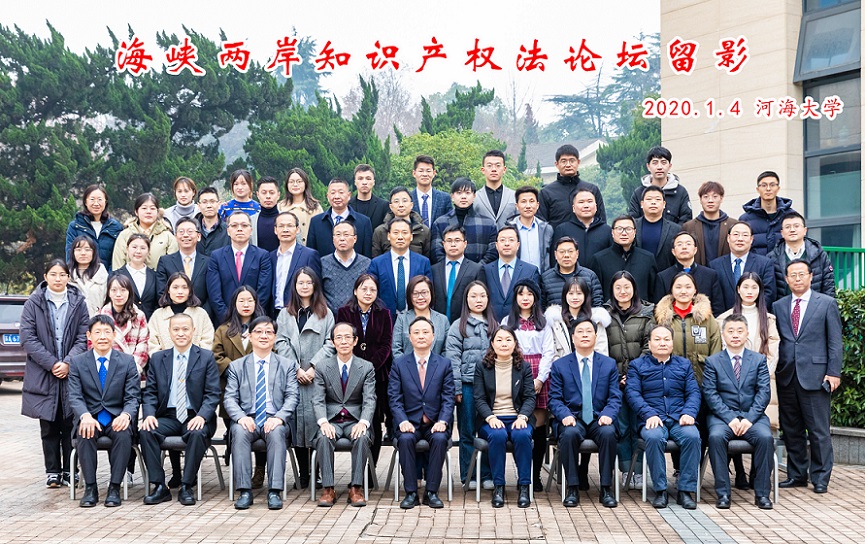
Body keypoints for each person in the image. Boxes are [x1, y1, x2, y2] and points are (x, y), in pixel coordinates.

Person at [772, 260, 842, 494]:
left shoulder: (826, 303)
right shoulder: (779, 306)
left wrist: (833, 372)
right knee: (791, 429)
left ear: (811, 276)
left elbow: (834, 341)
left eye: (802, 274)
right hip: (787, 376)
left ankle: (820, 477)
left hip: (816, 375)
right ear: (786, 279)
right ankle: (797, 474)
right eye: (793, 275)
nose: (797, 278)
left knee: (818, 430)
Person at [20, 259, 90, 489]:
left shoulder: (78, 302)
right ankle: (52, 472)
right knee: (48, 424)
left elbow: (83, 336)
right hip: (43, 372)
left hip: (71, 371)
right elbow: (28, 338)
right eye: (53, 274)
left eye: (62, 274)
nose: (58, 278)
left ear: (68, 277)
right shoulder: (34, 302)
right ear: (45, 276)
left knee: (70, 423)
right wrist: (52, 364)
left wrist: (68, 362)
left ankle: (71, 471)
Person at [139, 313, 221, 506]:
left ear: (193, 331)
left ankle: (186, 485)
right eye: (176, 329)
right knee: (146, 431)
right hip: (169, 416)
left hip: (195, 416)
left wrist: (202, 416)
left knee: (197, 433)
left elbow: (213, 394)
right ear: (169, 332)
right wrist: (148, 415)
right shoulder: (158, 358)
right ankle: (160, 486)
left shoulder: (206, 357)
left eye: (185, 329)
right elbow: (150, 392)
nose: (181, 333)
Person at [223, 316, 299, 510]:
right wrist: (241, 417)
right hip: (248, 418)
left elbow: (292, 397)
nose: (264, 336)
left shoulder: (287, 365)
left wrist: (279, 418)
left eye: (268, 332)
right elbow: (229, 398)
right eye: (258, 332)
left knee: (276, 432)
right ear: (249, 336)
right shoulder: (237, 366)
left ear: (275, 337)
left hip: (275, 419)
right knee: (238, 431)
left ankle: (274, 491)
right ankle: (245, 491)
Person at [67, 314, 140, 507]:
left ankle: (114, 487)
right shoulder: (78, 362)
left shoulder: (127, 361)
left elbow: (133, 396)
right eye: (97, 332)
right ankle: (90, 488)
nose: (102, 337)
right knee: (85, 432)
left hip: (116, 417)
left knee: (123, 434)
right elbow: (74, 396)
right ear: (89, 336)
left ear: (114, 335)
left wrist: (126, 415)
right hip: (90, 417)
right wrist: (85, 416)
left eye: (107, 332)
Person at [703, 314, 775, 510]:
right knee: (716, 437)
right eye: (731, 331)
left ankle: (762, 494)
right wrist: (730, 418)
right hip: (722, 418)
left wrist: (749, 419)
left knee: (765, 438)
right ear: (723, 334)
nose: (735, 335)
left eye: (739, 331)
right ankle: (723, 493)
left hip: (753, 417)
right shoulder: (713, 361)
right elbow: (710, 394)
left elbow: (764, 393)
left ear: (747, 334)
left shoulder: (758, 360)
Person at [626, 325, 701, 509]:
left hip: (679, 418)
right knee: (654, 437)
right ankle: (660, 490)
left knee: (693, 436)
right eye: (657, 339)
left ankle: (685, 491)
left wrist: (689, 412)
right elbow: (632, 393)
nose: (662, 343)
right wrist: (648, 413)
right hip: (652, 418)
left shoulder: (683, 364)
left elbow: (693, 392)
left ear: (672, 343)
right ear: (649, 343)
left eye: (666, 339)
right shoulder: (637, 365)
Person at [548, 318, 621, 507]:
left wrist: (608, 414)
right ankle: (572, 488)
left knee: (608, 433)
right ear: (573, 337)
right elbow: (554, 399)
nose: (585, 335)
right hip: (573, 418)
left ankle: (606, 488)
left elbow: (615, 397)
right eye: (580, 332)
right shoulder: (560, 365)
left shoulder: (608, 364)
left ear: (596, 336)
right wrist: (565, 415)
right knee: (569, 434)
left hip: (599, 417)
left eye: (589, 331)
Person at [274, 268, 335, 489]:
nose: (305, 286)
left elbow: (330, 343)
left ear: (315, 285)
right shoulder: (285, 314)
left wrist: (313, 367)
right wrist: (297, 368)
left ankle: (317, 473)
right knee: (297, 423)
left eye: (309, 282)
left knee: (315, 421)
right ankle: (303, 474)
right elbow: (280, 342)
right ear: (294, 286)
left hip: (317, 377)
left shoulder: (326, 313)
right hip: (294, 377)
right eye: (300, 282)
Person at [388, 316, 455, 509]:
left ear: (433, 336)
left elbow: (448, 397)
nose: (421, 336)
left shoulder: (444, 364)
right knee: (406, 439)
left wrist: (443, 421)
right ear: (409, 337)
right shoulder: (400, 364)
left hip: (435, 422)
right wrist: (402, 421)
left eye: (425, 332)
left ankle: (431, 492)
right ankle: (410, 492)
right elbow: (394, 397)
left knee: (440, 439)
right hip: (409, 422)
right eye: (416, 332)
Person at [311, 322, 377, 507]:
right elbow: (318, 399)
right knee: (324, 437)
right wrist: (323, 422)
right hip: (332, 420)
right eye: (339, 337)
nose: (343, 341)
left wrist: (363, 422)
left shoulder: (366, 367)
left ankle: (356, 488)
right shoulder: (322, 367)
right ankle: (328, 489)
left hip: (355, 420)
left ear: (355, 341)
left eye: (348, 337)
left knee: (362, 437)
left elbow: (370, 399)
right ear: (333, 342)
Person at [474, 326, 536, 508]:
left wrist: (523, 417)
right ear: (492, 344)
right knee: (498, 435)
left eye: (508, 340)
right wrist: (490, 417)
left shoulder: (523, 367)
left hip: (517, 418)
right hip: (491, 419)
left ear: (515, 343)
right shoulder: (482, 367)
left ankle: (524, 486)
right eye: (499, 340)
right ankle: (498, 487)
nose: (504, 344)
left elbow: (530, 397)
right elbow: (479, 398)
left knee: (522, 435)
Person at [212, 286, 267, 489]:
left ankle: (260, 470)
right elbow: (216, 356)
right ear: (234, 304)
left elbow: (273, 352)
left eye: (250, 300)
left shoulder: (264, 328)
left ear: (256, 303)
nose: (246, 304)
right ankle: (240, 472)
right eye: (241, 301)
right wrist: (237, 369)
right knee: (235, 432)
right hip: (231, 390)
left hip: (259, 389)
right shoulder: (223, 330)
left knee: (261, 430)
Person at [603, 271, 654, 490]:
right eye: (618, 288)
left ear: (634, 289)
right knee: (622, 427)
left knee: (638, 425)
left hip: (640, 381)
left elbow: (649, 345)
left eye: (627, 287)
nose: (623, 292)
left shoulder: (647, 313)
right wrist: (615, 376)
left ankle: (639, 472)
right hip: (614, 382)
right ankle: (626, 470)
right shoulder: (604, 314)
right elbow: (602, 347)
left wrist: (632, 374)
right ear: (612, 290)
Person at [503, 279, 556, 491]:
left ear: (536, 297)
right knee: (521, 426)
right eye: (521, 294)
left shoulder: (544, 322)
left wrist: (540, 378)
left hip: (539, 373)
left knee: (539, 428)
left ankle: (536, 475)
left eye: (529, 294)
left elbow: (549, 351)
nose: (525, 298)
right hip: (515, 371)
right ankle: (522, 474)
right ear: (515, 297)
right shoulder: (507, 321)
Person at [445, 281, 498, 490]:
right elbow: (452, 359)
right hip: (467, 386)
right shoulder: (458, 326)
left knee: (488, 429)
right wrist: (457, 388)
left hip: (490, 388)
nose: (478, 300)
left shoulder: (495, 325)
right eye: (473, 296)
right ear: (466, 300)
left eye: (482, 296)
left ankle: (487, 474)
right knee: (467, 430)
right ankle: (468, 475)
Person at [336, 274, 393, 464]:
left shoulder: (384, 314)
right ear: (355, 291)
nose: (368, 293)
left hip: (377, 375)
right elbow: (342, 340)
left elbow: (386, 345)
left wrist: (368, 368)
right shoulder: (344, 313)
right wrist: (356, 368)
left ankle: (371, 469)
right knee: (353, 418)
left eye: (372, 290)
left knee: (374, 421)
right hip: (349, 374)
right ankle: (357, 467)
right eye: (364, 289)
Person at [654, 271, 722, 384]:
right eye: (678, 287)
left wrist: (711, 380)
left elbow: (716, 350)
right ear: (671, 291)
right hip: (670, 382)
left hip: (702, 381)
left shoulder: (707, 318)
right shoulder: (661, 319)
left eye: (688, 287)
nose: (683, 291)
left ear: (695, 290)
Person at [206, 211, 273, 321]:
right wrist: (228, 319)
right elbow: (214, 294)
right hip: (225, 321)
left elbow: (263, 292)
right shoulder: (216, 256)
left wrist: (251, 318)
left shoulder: (262, 256)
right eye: (234, 225)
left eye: (244, 225)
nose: (239, 229)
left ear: (251, 230)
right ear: (228, 231)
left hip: (254, 321)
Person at [367, 217, 433, 318]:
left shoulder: (423, 262)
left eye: (404, 233)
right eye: (396, 233)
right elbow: (372, 292)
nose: (400, 237)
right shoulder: (377, 263)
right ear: (388, 236)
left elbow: (429, 292)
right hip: (385, 318)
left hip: (415, 317)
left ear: (411, 236)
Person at [709, 221, 777, 311]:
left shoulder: (765, 263)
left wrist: (752, 313)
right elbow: (713, 296)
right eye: (736, 234)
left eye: (745, 235)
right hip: (724, 316)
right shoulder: (715, 265)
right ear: (728, 238)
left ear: (751, 239)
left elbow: (769, 294)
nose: (740, 239)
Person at [589, 215, 657, 302]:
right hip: (610, 309)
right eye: (619, 229)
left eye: (628, 229)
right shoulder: (599, 259)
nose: (624, 233)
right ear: (612, 232)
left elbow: (653, 292)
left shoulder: (647, 258)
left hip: (641, 309)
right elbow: (596, 293)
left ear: (635, 232)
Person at [431, 177, 498, 264]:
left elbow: (492, 251)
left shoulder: (488, 224)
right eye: (459, 193)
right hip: (449, 270)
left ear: (474, 196)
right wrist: (450, 267)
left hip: (480, 271)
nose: (463, 197)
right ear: (452, 196)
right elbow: (436, 252)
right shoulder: (440, 223)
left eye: (467, 193)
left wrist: (478, 269)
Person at [657, 231, 725, 316]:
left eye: (688, 244)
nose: (684, 247)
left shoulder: (710, 275)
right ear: (673, 251)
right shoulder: (663, 277)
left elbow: (718, 309)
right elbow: (659, 309)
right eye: (679, 244)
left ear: (695, 250)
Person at [769, 212, 835, 298]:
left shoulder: (819, 254)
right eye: (787, 227)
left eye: (796, 226)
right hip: (783, 305)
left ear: (805, 230)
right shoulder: (772, 257)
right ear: (782, 233)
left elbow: (829, 284)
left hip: (815, 304)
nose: (792, 230)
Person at [538, 144, 605, 229]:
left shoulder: (591, 189)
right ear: (557, 164)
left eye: (572, 160)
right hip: (558, 236)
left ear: (578, 162)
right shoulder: (546, 193)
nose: (568, 165)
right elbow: (542, 225)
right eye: (563, 161)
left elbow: (601, 220)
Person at [156, 217, 211, 320]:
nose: (185, 235)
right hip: (172, 318)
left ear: (198, 236)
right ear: (176, 237)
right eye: (181, 232)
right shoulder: (165, 261)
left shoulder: (208, 262)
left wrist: (200, 315)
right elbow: (161, 292)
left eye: (190, 231)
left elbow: (211, 294)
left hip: (201, 317)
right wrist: (175, 316)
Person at [483, 225, 542, 321]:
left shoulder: (530, 271)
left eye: (511, 240)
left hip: (520, 325)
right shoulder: (486, 270)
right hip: (490, 324)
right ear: (496, 245)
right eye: (502, 240)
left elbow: (537, 303)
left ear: (518, 245)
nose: (507, 244)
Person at [270, 211, 322, 317]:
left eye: (290, 226)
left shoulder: (309, 255)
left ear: (297, 229)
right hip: (274, 313)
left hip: (300, 313)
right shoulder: (270, 256)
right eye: (281, 226)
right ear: (275, 230)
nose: (285, 230)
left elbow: (316, 286)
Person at [148, 272, 214, 354]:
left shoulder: (201, 314)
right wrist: (165, 359)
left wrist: (195, 359)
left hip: (197, 361)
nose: (180, 291)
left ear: (190, 290)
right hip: (164, 361)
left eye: (184, 287)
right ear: (168, 290)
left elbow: (208, 341)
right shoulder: (158, 315)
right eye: (175, 287)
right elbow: (151, 344)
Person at [307, 178, 374, 258]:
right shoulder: (316, 222)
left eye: (341, 192)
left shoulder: (364, 222)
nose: (337, 196)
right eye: (333, 193)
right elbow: (311, 255)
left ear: (349, 195)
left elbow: (367, 255)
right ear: (327, 196)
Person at [546, 276, 610, 360]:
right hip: (563, 366)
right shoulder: (555, 320)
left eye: (579, 293)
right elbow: (552, 352)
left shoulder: (596, 318)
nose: (575, 297)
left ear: (585, 295)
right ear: (565, 295)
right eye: (571, 293)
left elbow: (602, 350)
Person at [431, 225, 486, 322]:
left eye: (457, 240)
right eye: (449, 241)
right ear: (443, 244)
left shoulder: (476, 269)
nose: (453, 244)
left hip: (466, 323)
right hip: (438, 323)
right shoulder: (434, 269)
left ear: (465, 243)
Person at [97, 274, 150, 374]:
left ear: (129, 292)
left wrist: (132, 369)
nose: (118, 294)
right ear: (108, 293)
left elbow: (143, 344)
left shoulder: (139, 316)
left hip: (133, 372)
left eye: (123, 290)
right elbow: (94, 345)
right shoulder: (99, 317)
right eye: (114, 290)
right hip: (106, 371)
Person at [112, 193, 178, 270]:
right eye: (144, 208)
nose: (148, 212)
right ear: (136, 211)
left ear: (157, 212)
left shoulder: (167, 236)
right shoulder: (125, 235)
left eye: (152, 208)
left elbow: (172, 268)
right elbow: (118, 266)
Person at [65, 184, 123, 272]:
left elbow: (118, 257)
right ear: (85, 202)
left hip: (109, 277)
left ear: (105, 202)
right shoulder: (75, 226)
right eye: (92, 199)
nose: (96, 203)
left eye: (100, 199)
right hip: (81, 277)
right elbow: (70, 255)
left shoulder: (115, 227)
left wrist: (110, 277)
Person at [628, 146, 692, 225]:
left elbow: (686, 221)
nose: (659, 167)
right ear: (648, 166)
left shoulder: (680, 192)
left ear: (669, 166)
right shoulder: (639, 193)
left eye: (663, 162)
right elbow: (632, 222)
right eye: (655, 163)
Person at [391, 276, 450, 361]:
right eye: (415, 293)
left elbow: (447, 350)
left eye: (424, 292)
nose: (420, 297)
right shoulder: (402, 319)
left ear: (431, 293)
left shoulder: (443, 320)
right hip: (407, 368)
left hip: (437, 368)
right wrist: (407, 367)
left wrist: (436, 367)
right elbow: (396, 350)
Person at [550, 189, 612, 269]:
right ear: (573, 208)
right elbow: (554, 259)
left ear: (596, 206)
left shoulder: (607, 230)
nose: (586, 206)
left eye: (590, 201)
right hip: (570, 276)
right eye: (581, 202)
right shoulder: (562, 229)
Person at [739, 171, 797, 255]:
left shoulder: (791, 216)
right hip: (756, 263)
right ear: (758, 189)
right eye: (764, 185)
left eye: (772, 185)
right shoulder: (746, 219)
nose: (768, 189)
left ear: (778, 188)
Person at [320, 221, 371, 313]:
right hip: (330, 318)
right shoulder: (322, 263)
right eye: (338, 235)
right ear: (333, 239)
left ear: (355, 238)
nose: (342, 239)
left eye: (346, 235)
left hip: (359, 317)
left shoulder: (367, 263)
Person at [540, 236, 603, 308]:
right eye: (562, 252)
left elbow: (597, 304)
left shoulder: (590, 276)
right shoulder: (546, 278)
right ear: (555, 254)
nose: (566, 255)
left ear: (577, 253)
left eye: (570, 251)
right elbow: (541, 307)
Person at [682, 181, 735, 266]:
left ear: (721, 198)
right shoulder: (689, 227)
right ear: (700, 200)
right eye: (706, 197)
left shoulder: (733, 225)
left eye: (715, 196)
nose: (710, 200)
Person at [371, 186, 431, 258]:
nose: (401, 205)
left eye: (405, 201)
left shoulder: (423, 231)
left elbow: (427, 259)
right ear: (391, 206)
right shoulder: (380, 231)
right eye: (396, 201)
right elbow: (376, 259)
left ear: (411, 205)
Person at [506, 185, 553, 273]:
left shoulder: (546, 229)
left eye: (531, 201)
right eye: (523, 201)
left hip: (541, 277)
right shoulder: (508, 229)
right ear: (517, 206)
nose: (528, 206)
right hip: (516, 277)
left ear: (537, 205)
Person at [634, 185, 682, 271]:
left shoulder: (676, 229)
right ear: (642, 204)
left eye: (657, 199)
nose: (653, 202)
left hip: (666, 275)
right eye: (649, 199)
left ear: (664, 204)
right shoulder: (632, 226)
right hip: (638, 275)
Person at [113, 234, 158, 320]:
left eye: (143, 248)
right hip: (124, 322)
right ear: (127, 249)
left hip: (150, 322)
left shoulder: (155, 276)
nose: (138, 251)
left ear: (148, 251)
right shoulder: (115, 275)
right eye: (134, 247)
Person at [278, 167, 324, 246]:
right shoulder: (280, 207)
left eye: (299, 181)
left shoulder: (316, 207)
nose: (295, 184)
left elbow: (321, 233)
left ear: (305, 184)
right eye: (291, 182)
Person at [68, 235, 109, 317]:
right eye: (78, 250)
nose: (83, 253)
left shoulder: (103, 275)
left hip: (98, 322)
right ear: (73, 252)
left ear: (94, 252)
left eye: (87, 249)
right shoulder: (66, 276)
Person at [474, 150, 516, 228]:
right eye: (489, 165)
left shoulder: (514, 196)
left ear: (504, 169)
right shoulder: (474, 197)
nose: (494, 169)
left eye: (498, 165)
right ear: (483, 170)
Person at [410, 155, 452, 229]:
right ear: (414, 173)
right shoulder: (408, 198)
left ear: (434, 173)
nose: (425, 174)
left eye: (428, 171)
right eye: (421, 171)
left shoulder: (444, 198)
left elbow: (450, 223)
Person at [349, 163, 389, 231]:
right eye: (360, 179)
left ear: (373, 182)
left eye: (368, 179)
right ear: (355, 182)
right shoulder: (347, 206)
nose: (364, 182)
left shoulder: (384, 206)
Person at [249, 176, 282, 252]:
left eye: (272, 193)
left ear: (278, 195)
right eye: (264, 193)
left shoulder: (288, 219)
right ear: (258, 195)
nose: (268, 196)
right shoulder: (250, 221)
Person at [195, 187, 230, 256]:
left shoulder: (228, 231)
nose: (209, 206)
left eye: (212, 201)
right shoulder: (192, 230)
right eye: (204, 202)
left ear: (219, 204)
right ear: (198, 206)